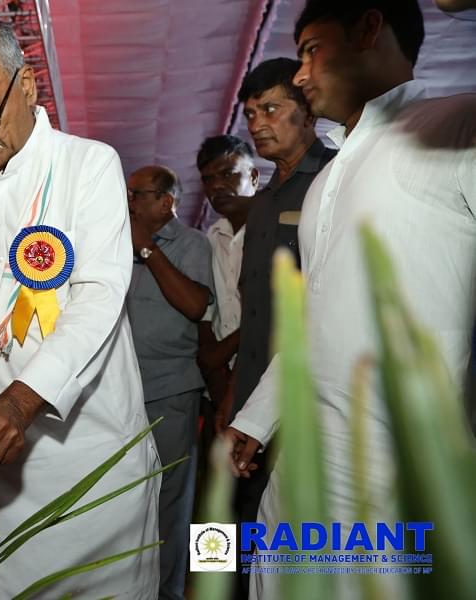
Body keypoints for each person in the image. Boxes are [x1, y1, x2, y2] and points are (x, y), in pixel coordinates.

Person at [225, 2, 476, 599]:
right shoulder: (326, 180)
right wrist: (255, 420)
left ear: (369, 28)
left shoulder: (455, 126)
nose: (302, 75)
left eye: (312, 49)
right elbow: (315, 318)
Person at [0, 22, 160, 598]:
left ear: (26, 86)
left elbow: (99, 296)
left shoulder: (90, 166)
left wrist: (20, 402)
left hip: (89, 461)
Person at [227, 57, 337, 600]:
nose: (258, 123)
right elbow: (252, 317)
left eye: (271, 108)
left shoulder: (334, 182)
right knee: (238, 530)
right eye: (250, 114)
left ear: (307, 110)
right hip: (251, 397)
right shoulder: (264, 201)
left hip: (308, 401)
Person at [126, 165, 213, 600]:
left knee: (170, 502)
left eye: (137, 194)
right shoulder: (113, 244)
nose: (129, 202)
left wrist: (147, 251)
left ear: (166, 201)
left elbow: (196, 305)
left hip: (170, 389)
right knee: (125, 499)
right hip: (121, 392)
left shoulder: (192, 244)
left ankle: (168, 593)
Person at [195, 136, 258, 411]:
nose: (216, 186)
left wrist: (218, 354)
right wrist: (217, 377)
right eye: (208, 180)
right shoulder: (210, 238)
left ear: (254, 176)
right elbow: (208, 315)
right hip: (220, 385)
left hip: (269, 380)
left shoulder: (281, 229)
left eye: (228, 174)